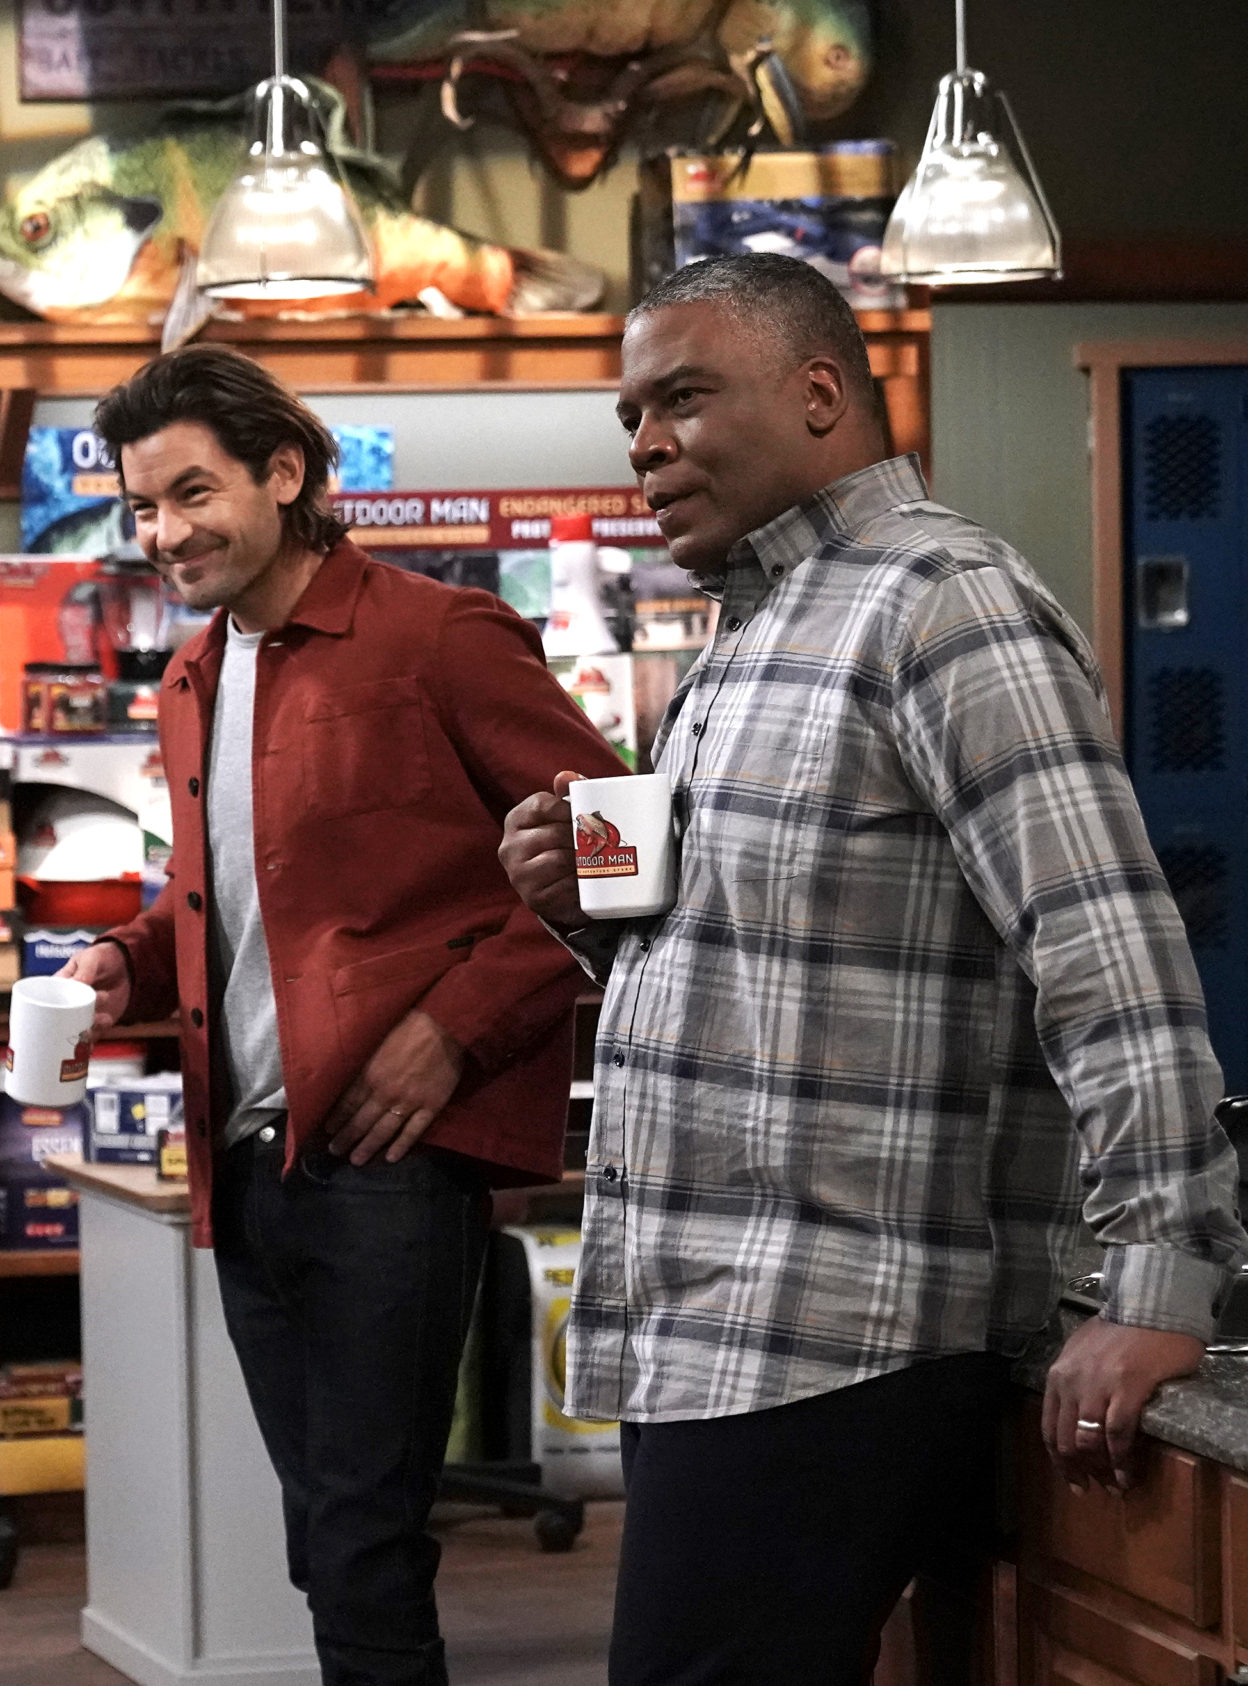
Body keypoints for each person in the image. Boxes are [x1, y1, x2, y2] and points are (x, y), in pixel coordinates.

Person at [496, 252, 1248, 1684]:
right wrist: (581, 912)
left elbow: (1111, 953)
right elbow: (769, 965)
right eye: (631, 416)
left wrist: (1160, 1282)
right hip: (713, 1328)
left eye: (682, 399)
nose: (645, 444)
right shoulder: (751, 629)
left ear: (820, 393)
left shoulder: (941, 603)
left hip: (831, 1339)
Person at [62, 344, 627, 1686]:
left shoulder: (439, 637)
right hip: (249, 1163)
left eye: (191, 493)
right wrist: (123, 963)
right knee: (325, 1535)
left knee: (364, 1539)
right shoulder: (195, 677)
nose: (164, 533)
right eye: (142, 507)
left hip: (391, 1162)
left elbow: (613, 850)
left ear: (285, 473)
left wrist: (452, 1028)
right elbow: (227, 897)